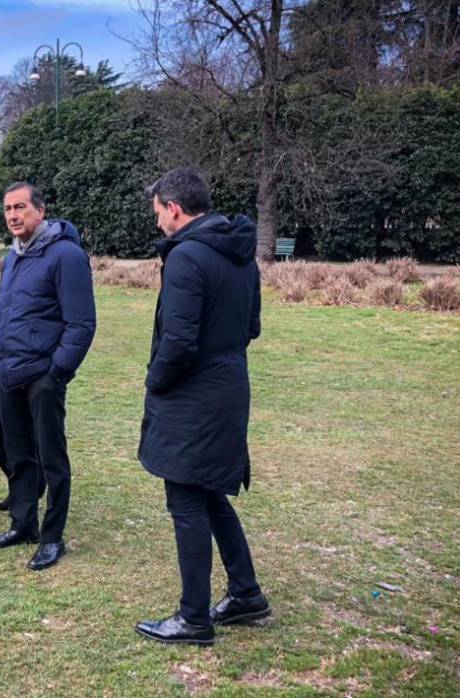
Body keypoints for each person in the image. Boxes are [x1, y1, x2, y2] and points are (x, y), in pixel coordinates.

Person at [134, 167, 270, 646]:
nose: (157, 225)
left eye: (158, 214)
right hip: (229, 386)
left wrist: (156, 381)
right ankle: (246, 594)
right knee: (209, 491)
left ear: (174, 207)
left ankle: (193, 618)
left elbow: (179, 341)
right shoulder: (240, 255)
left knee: (187, 499)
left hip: (193, 395)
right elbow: (252, 327)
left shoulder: (188, 256)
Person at [0, 182, 96, 571]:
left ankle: (52, 537)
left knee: (51, 458)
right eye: (8, 209)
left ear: (41, 211)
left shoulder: (65, 255)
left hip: (42, 375)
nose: (13, 215)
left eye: (20, 208)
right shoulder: (12, 257)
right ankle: (23, 524)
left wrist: (56, 372)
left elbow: (81, 323)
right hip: (7, 371)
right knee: (18, 455)